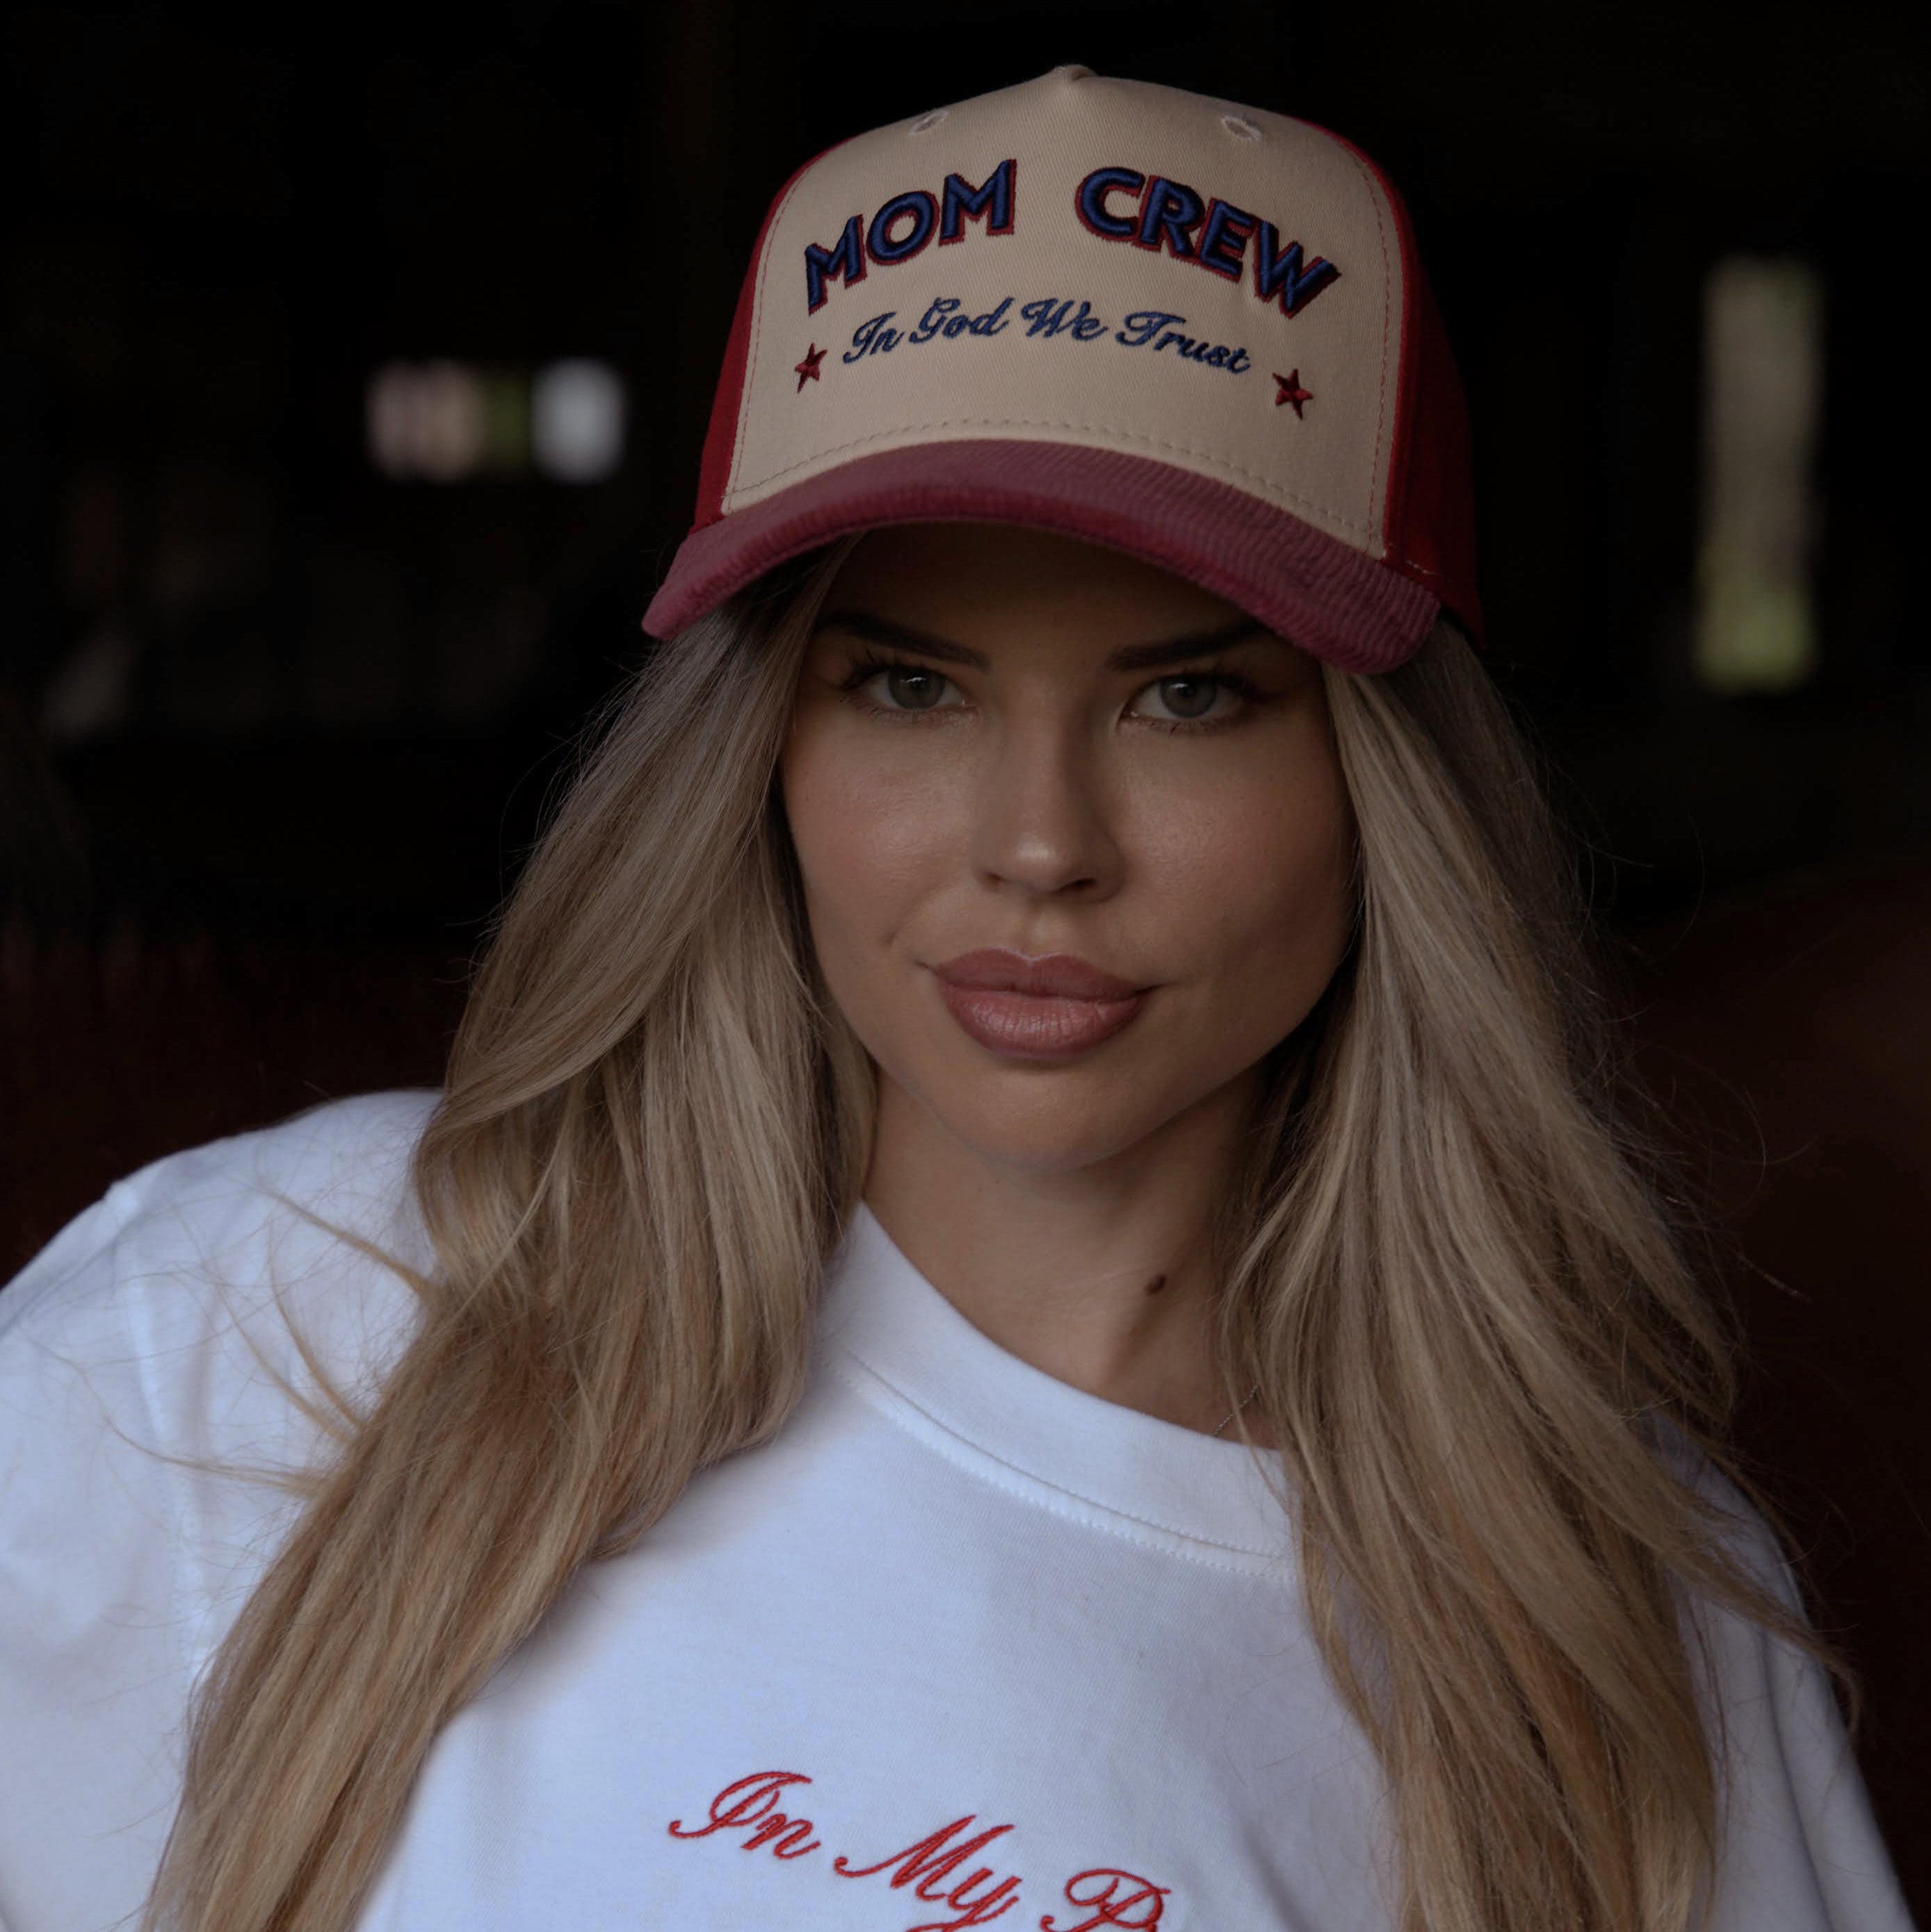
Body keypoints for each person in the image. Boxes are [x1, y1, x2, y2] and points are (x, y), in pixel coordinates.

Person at [0, 63, 1915, 1932]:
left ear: (1379, 780)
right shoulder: (262, 1323)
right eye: (908, 685)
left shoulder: (1595, 1605)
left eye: (1187, 695)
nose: (1036, 844)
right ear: (758, 745)